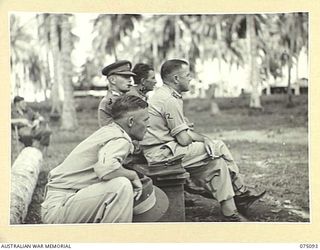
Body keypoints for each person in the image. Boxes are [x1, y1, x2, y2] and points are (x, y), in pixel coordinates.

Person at [140, 59, 266, 222]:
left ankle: (231, 210)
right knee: (218, 146)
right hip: (161, 154)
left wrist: (204, 139)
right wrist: (205, 141)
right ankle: (241, 192)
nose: (190, 79)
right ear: (176, 79)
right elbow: (184, 139)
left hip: (166, 149)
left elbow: (184, 133)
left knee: (217, 163)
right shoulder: (168, 99)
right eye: (187, 75)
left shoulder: (167, 95)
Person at [41, 95, 168, 224]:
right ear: (130, 122)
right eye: (146, 120)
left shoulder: (110, 130)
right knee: (121, 185)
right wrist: (133, 175)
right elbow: (105, 169)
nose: (148, 125)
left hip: (62, 202)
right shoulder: (120, 139)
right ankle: (112, 241)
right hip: (59, 208)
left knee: (120, 180)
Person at [98, 60, 136, 127]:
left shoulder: (122, 98)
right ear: (112, 80)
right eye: (125, 77)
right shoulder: (109, 102)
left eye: (130, 77)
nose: (130, 80)